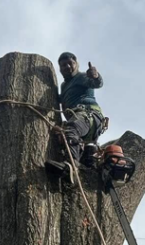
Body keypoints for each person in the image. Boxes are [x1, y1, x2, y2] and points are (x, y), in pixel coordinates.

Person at [45, 52, 105, 182]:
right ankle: (82, 174)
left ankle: (71, 167)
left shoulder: (82, 77)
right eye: (63, 65)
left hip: (88, 116)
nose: (67, 67)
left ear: (76, 64)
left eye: (70, 63)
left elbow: (96, 83)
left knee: (71, 128)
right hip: (83, 127)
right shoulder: (63, 86)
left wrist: (96, 76)